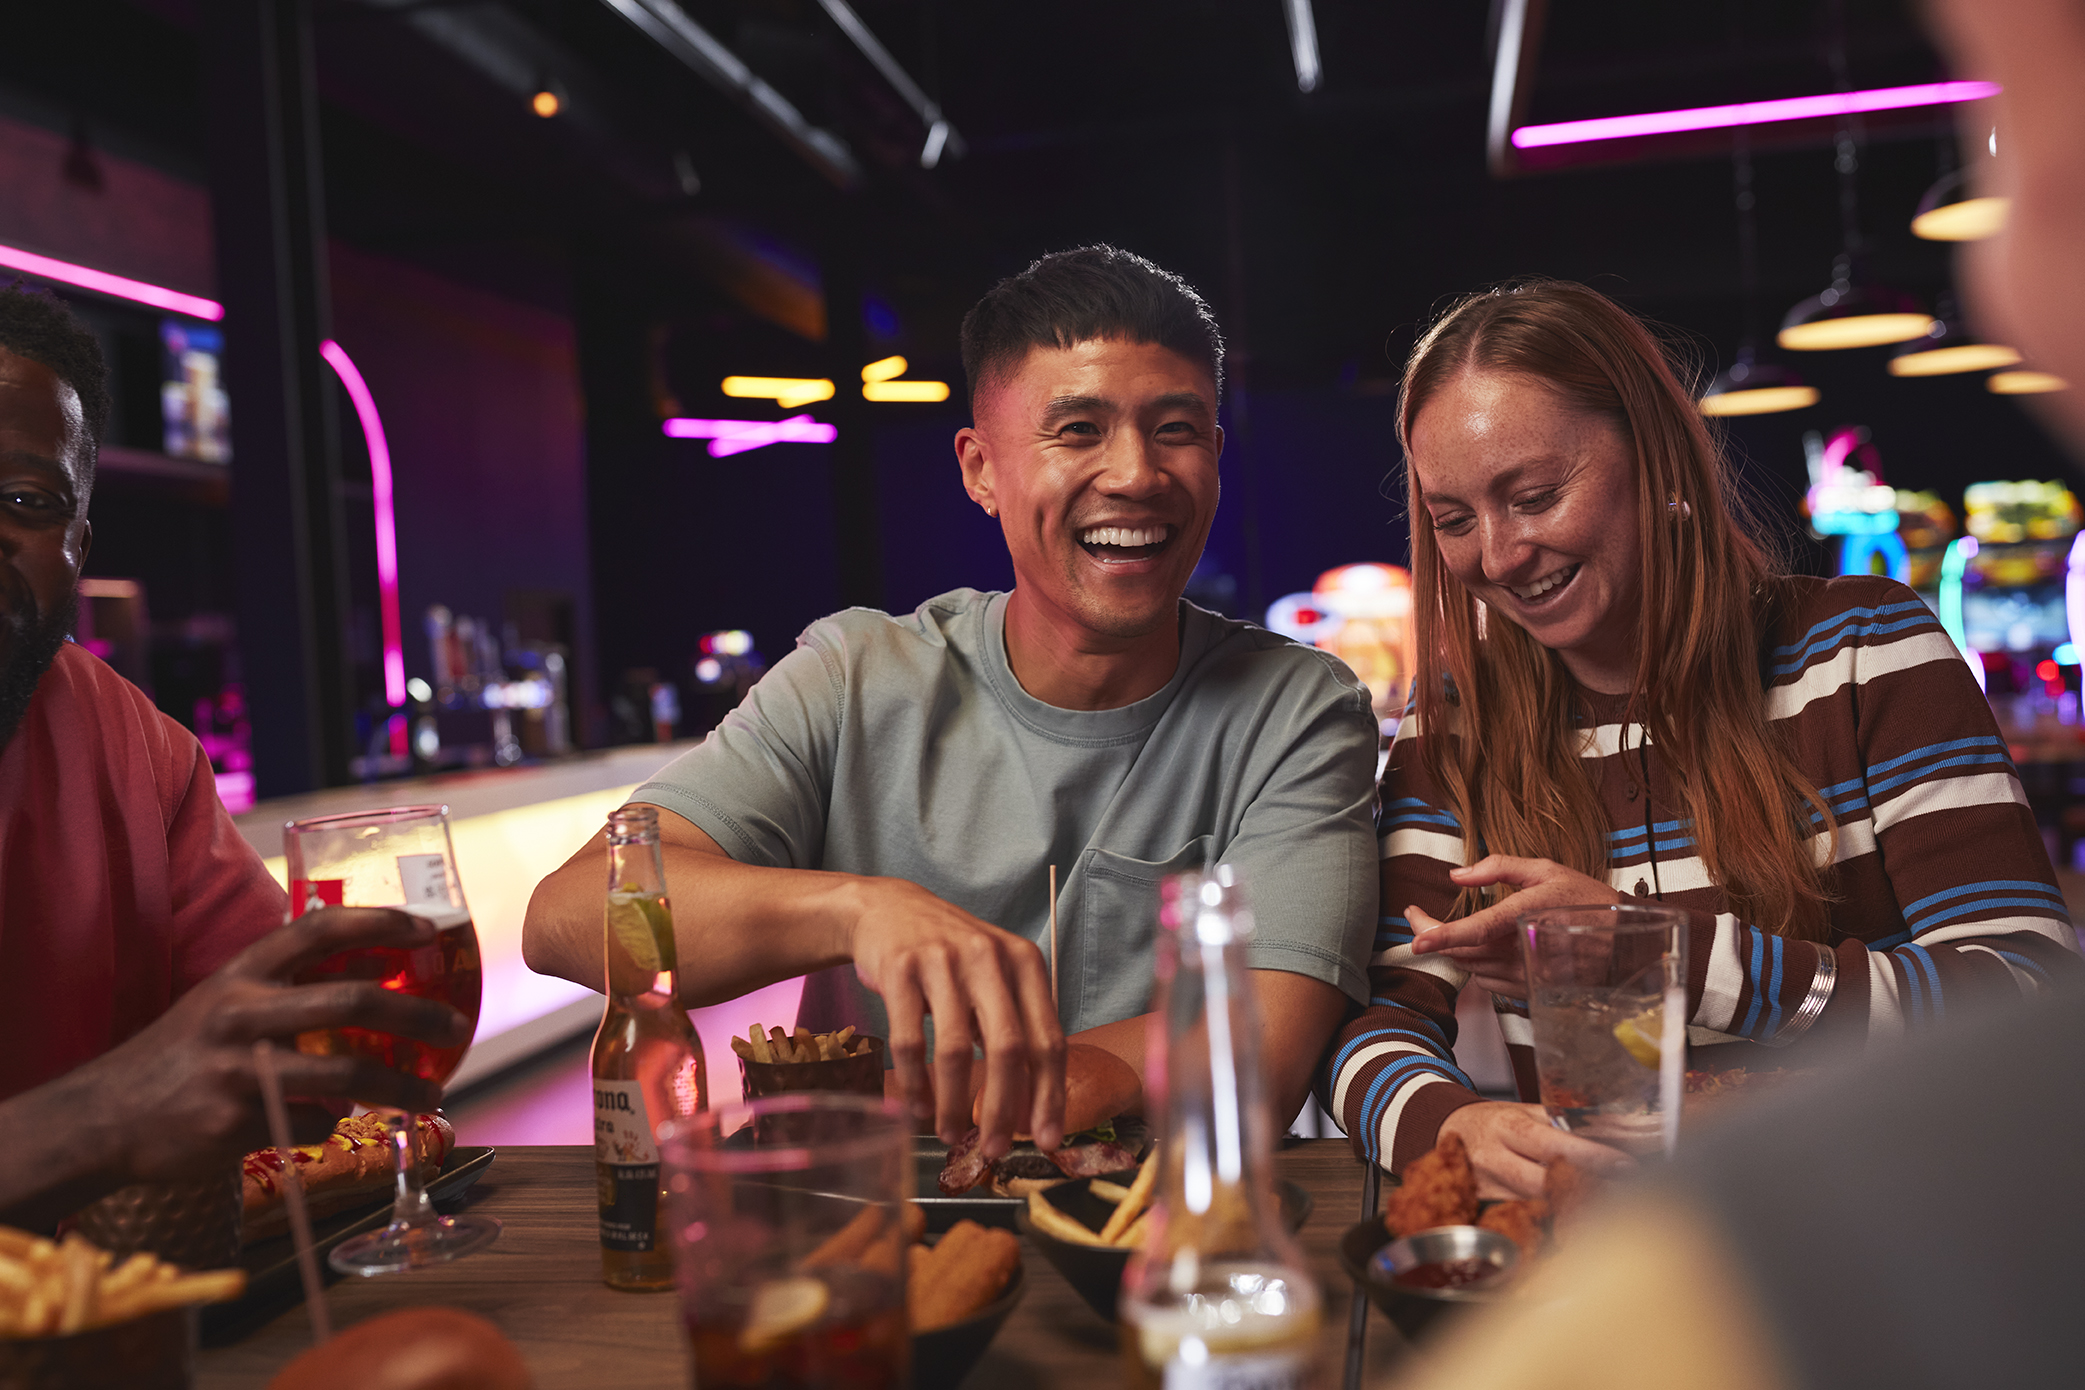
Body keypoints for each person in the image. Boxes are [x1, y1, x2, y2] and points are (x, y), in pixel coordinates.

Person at [525, 246, 1380, 1159]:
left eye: (1175, 430)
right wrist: (856, 911)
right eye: (1078, 430)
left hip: (1169, 1238)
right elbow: (568, 916)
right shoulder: (855, 676)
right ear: (979, 469)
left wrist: (909, 1097)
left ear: (1214, 455)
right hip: (879, 1245)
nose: (1135, 473)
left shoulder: (1297, 709)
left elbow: (1264, 1052)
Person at [1323, 278, 2081, 1195]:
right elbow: (1375, 1021)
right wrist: (1455, 1128)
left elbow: (2027, 999)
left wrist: (1656, 955)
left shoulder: (1864, 649)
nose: (1496, 555)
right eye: (1452, 520)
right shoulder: (1457, 718)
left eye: (1533, 495)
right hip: (1632, 1255)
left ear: (1656, 457)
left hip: (1899, 1225)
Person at [0, 284, 469, 1229]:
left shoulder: (138, 749)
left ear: (78, 547)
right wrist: (100, 1119)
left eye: (27, 500)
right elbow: (134, 1110)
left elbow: (289, 1059)